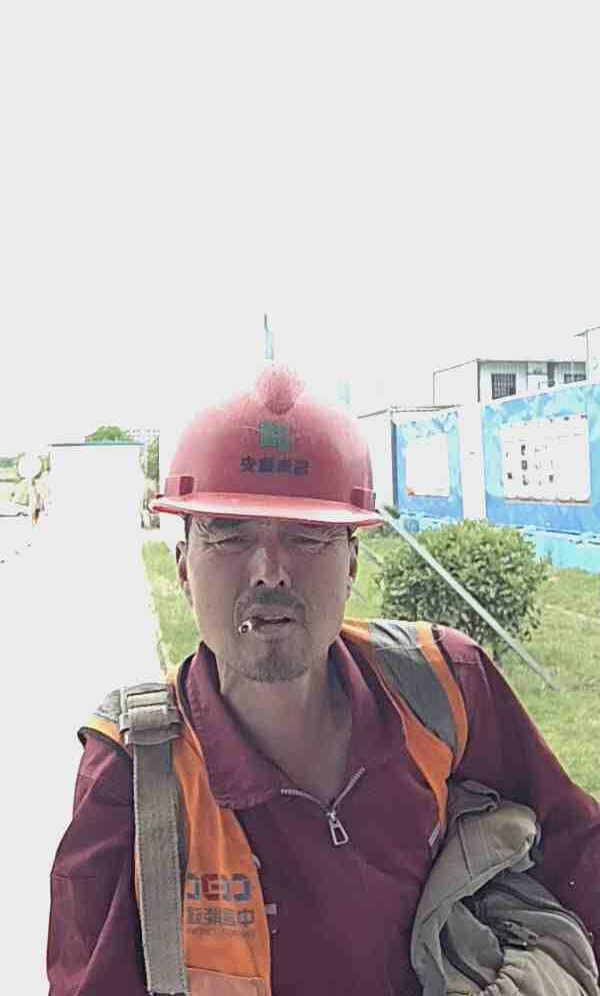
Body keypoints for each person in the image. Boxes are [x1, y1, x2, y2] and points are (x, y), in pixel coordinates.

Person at [47, 364, 600, 995]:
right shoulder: (133, 772)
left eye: (308, 535)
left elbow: (579, 857)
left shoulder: (444, 688)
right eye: (229, 534)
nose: (270, 571)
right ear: (182, 568)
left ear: (352, 563)